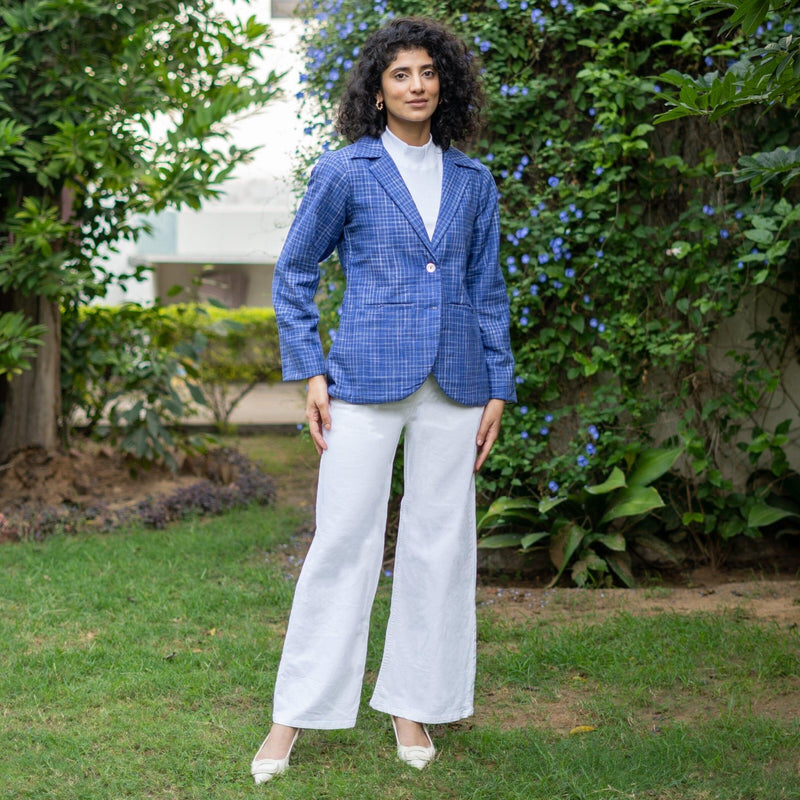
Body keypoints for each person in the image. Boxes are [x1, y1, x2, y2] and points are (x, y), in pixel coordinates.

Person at [251, 16, 515, 784]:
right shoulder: (346, 172)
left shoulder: (472, 180)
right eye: (401, 74)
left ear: (446, 85)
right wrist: (311, 371)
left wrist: (498, 382)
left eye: (428, 72)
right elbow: (294, 272)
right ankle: (291, 717)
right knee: (342, 542)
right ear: (377, 90)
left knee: (440, 546)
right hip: (363, 381)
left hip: (457, 384)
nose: (417, 85)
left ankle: (411, 701)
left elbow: (486, 288)